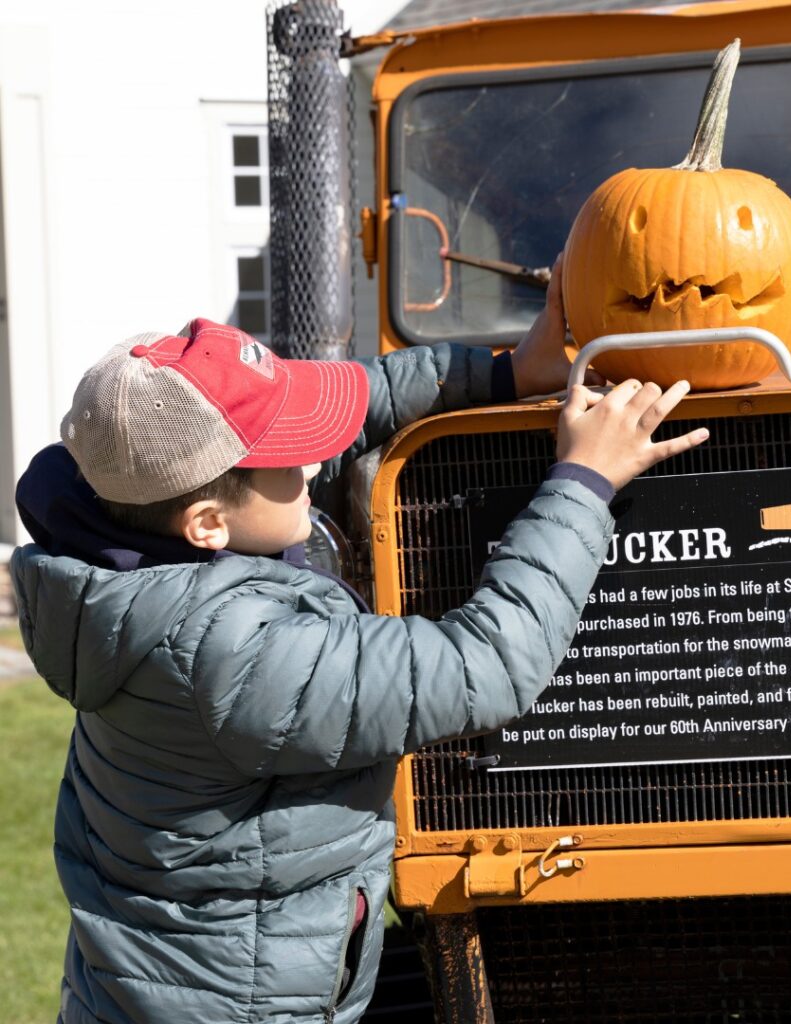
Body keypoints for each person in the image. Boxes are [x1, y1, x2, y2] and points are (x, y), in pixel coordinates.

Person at [11, 263, 709, 1024]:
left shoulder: (128, 544)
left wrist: (504, 373)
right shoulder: (231, 659)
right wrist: (583, 480)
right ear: (209, 524)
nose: (314, 461)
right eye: (288, 455)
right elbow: (486, 668)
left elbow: (350, 410)